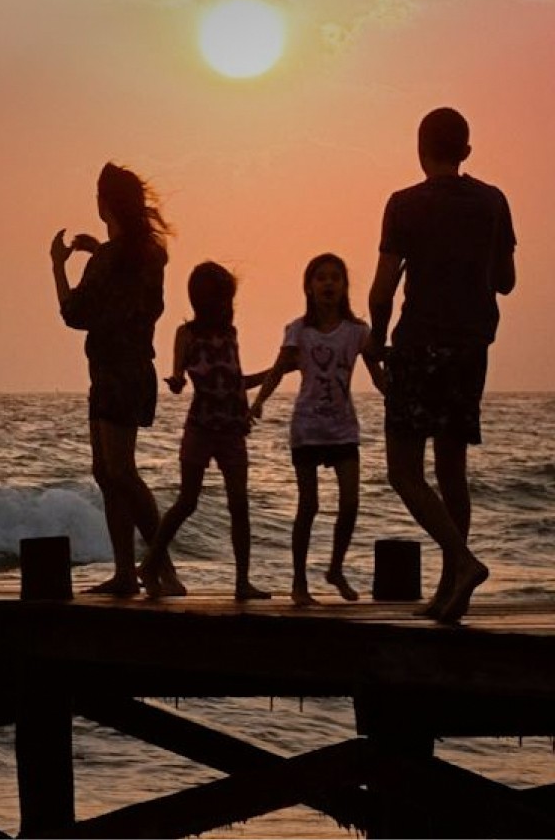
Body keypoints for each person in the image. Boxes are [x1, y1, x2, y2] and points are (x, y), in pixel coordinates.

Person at [367, 106, 516, 624]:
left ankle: (463, 562)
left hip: (418, 346)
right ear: (467, 151)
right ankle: (452, 593)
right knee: (453, 468)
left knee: (404, 470)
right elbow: (506, 281)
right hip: (472, 348)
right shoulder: (494, 201)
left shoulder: (404, 205)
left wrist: (376, 343)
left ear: (419, 147)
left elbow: (382, 290)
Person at [52, 162, 182, 596]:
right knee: (106, 472)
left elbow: (75, 314)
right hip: (130, 370)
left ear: (106, 203)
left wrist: (58, 266)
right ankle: (127, 572)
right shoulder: (148, 254)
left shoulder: (114, 259)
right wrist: (97, 253)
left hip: (114, 373)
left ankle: (163, 569)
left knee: (120, 472)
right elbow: (127, 289)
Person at [249, 254, 385, 606]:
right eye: (320, 278)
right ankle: (298, 583)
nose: (328, 284)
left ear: (344, 287)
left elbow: (379, 375)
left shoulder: (358, 331)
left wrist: (399, 398)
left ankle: (336, 568)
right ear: (308, 286)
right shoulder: (299, 330)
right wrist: (258, 402)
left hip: (343, 429)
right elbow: (279, 370)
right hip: (307, 427)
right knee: (308, 505)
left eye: (335, 278)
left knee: (351, 502)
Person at [140, 262, 269, 600]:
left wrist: (272, 375)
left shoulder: (231, 333)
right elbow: (180, 377)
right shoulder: (188, 335)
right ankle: (151, 562)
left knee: (239, 504)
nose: (227, 306)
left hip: (231, 430)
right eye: (221, 299)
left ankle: (242, 582)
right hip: (200, 426)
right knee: (187, 501)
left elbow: (236, 381)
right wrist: (176, 381)